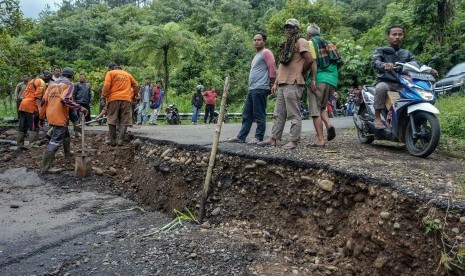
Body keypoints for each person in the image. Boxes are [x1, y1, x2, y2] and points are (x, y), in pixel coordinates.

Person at [258, 18, 312, 149]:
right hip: (282, 82)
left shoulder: (301, 41)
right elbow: (281, 65)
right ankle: (273, 138)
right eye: (286, 27)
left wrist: (300, 72)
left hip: (293, 82)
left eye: (291, 27)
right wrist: (276, 83)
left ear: (297, 29)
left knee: (294, 113)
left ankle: (293, 140)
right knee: (278, 113)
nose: (288, 29)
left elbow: (309, 60)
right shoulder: (286, 44)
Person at [372, 24, 437, 129]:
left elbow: (417, 65)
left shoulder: (407, 53)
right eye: (394, 34)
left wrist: (430, 70)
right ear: (388, 37)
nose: (397, 37)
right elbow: (376, 62)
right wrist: (384, 65)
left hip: (405, 84)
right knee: (381, 87)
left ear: (403, 36)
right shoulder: (381, 51)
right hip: (388, 83)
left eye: (400, 34)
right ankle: (377, 117)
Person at [228, 32, 276, 144]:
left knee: (259, 113)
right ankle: (241, 137)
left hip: (260, 88)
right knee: (247, 114)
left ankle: (258, 137)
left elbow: (272, 69)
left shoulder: (266, 52)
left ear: (264, 41)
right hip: (253, 88)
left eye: (259, 40)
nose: (256, 41)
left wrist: (272, 84)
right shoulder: (257, 55)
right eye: (254, 40)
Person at [40, 67, 88, 172]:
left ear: (62, 75)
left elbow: (43, 101)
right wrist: (80, 108)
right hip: (59, 115)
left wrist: (41, 117)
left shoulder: (51, 84)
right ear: (72, 76)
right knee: (55, 141)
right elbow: (65, 99)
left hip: (51, 114)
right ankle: (46, 167)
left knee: (66, 133)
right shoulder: (69, 85)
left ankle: (67, 153)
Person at [305, 23, 342, 146]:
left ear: (309, 34)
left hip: (319, 80)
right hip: (332, 80)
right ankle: (328, 125)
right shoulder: (330, 44)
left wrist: (313, 79)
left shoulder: (311, 43)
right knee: (321, 107)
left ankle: (320, 140)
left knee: (315, 110)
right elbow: (340, 62)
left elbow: (313, 62)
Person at [102, 63, 139, 146]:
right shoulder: (127, 74)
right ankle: (121, 140)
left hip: (113, 99)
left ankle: (112, 141)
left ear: (111, 68)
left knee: (112, 119)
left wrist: (104, 96)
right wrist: (135, 94)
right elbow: (136, 85)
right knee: (125, 120)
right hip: (126, 99)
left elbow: (107, 85)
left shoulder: (110, 73)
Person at [16, 71, 50, 149]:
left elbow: (24, 93)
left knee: (22, 125)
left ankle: (19, 144)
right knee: (33, 125)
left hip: (23, 104)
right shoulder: (41, 82)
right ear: (46, 78)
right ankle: (32, 144)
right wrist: (40, 111)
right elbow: (38, 98)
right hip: (31, 106)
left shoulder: (31, 81)